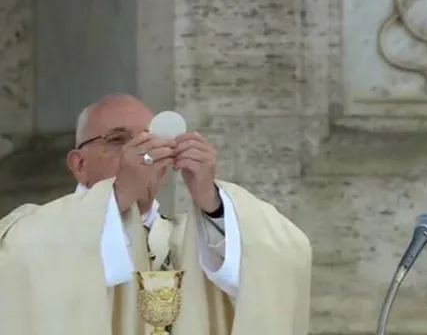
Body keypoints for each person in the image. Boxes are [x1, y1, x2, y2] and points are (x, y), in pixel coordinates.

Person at [0, 94, 312, 335]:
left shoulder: (197, 238)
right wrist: (121, 192)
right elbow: (25, 266)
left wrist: (211, 200)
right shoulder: (29, 230)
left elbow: (286, 254)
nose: (141, 151)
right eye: (119, 140)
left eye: (154, 139)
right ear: (79, 164)